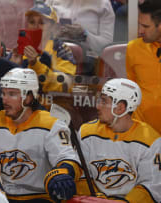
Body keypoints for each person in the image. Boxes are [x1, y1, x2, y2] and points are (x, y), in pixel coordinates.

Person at [0, 68, 81, 202]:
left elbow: (67, 158)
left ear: (29, 97)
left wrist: (63, 173)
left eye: (12, 94)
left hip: (38, 198)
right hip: (0, 197)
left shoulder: (51, 124)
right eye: (3, 93)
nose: (5, 99)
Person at [78, 78, 161, 202]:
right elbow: (82, 175)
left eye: (104, 101)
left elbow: (151, 186)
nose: (98, 106)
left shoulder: (151, 140)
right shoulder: (87, 132)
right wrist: (97, 199)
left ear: (120, 108)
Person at [9, 2, 76, 93]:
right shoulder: (19, 49)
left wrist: (36, 64)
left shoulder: (62, 50)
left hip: (51, 104)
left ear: (53, 27)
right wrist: (14, 67)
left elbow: (66, 85)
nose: (36, 27)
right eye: (32, 22)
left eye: (42, 23)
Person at [45, 0, 115, 75]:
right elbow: (38, 27)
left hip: (87, 65)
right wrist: (52, 31)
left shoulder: (103, 4)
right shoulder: (51, 1)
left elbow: (106, 46)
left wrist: (84, 35)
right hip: (51, 59)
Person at [126, 0, 161, 135]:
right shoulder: (133, 48)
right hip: (142, 135)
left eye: (146, 26)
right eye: (140, 25)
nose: (140, 31)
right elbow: (132, 91)